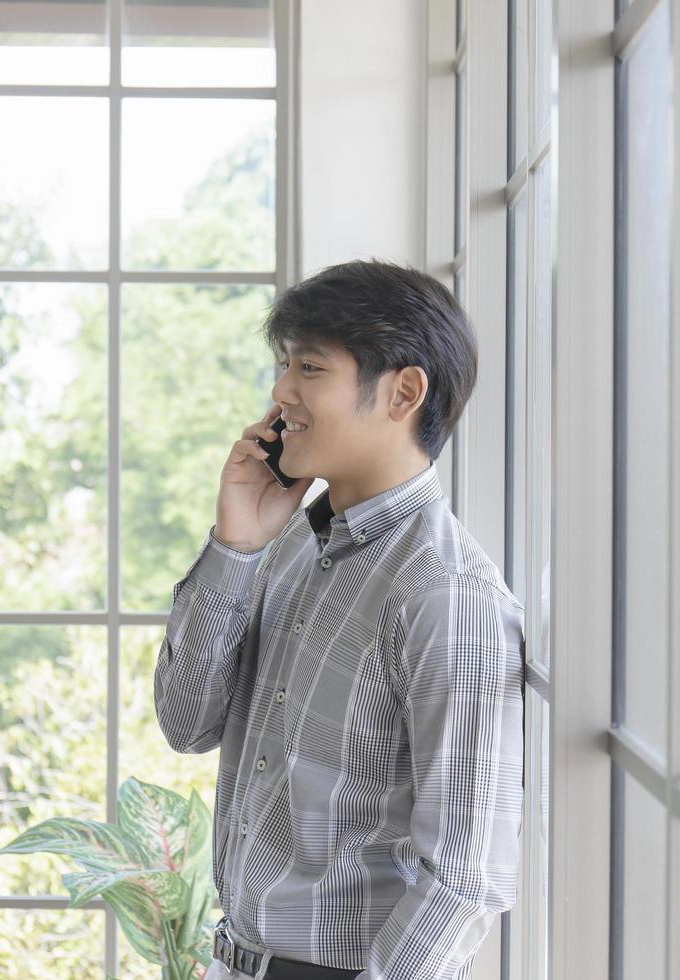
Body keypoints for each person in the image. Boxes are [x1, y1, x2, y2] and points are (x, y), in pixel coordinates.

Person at [154, 259, 525, 980]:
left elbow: (467, 875)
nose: (281, 392)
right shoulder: (295, 544)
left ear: (403, 393)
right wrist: (235, 546)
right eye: (285, 364)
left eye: (310, 368)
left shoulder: (446, 595)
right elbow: (185, 722)